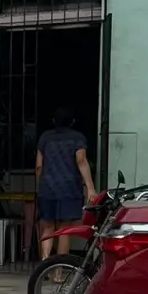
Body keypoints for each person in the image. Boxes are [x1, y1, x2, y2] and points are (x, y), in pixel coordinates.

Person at [36, 106, 96, 262]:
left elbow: (39, 166)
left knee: (47, 227)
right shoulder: (78, 138)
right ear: (73, 122)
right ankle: (58, 272)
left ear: (54, 121)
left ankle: (44, 264)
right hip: (69, 189)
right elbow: (81, 161)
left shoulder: (45, 138)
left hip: (47, 188)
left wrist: (41, 184)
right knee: (64, 230)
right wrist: (90, 188)